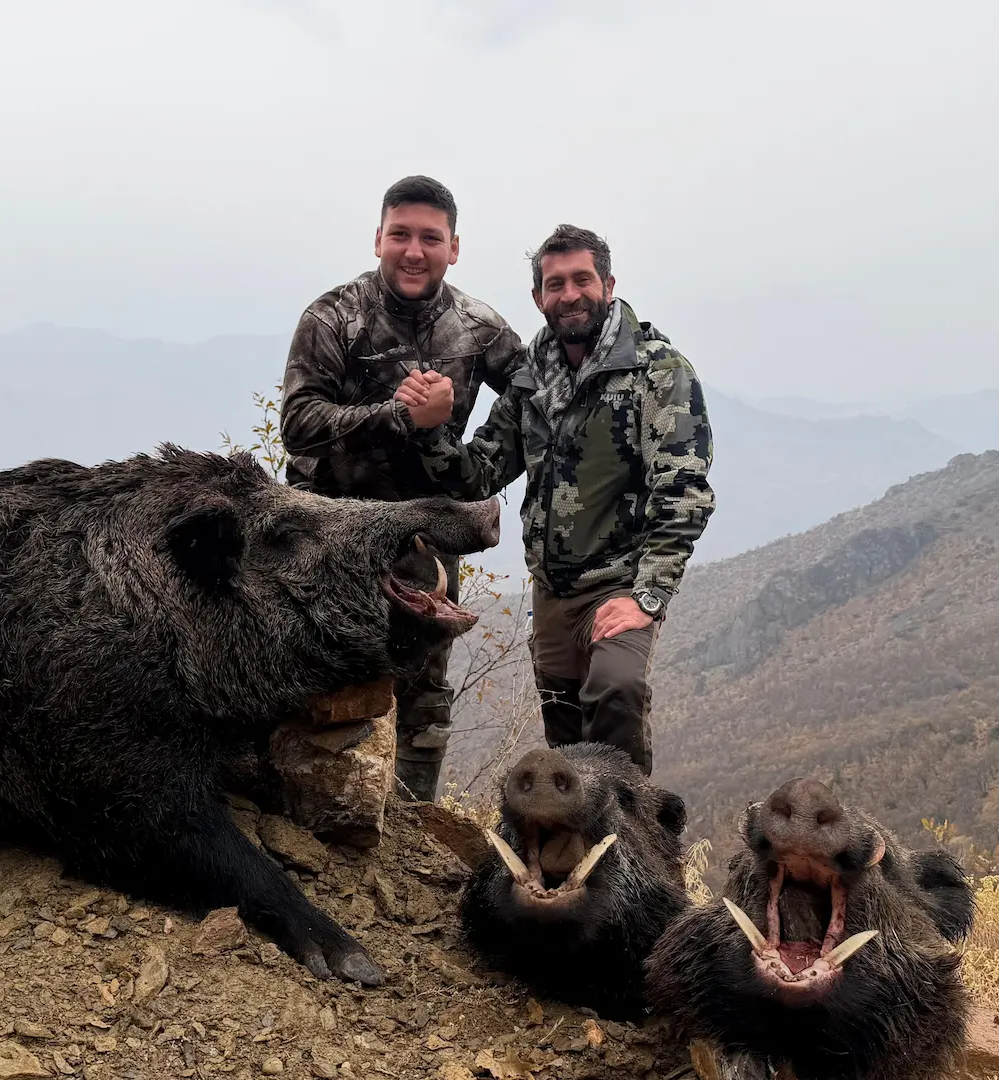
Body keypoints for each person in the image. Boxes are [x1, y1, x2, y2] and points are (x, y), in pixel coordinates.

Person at [399, 224, 713, 775]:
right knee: (566, 758)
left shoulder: (658, 372)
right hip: (551, 594)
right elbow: (479, 474)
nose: (569, 295)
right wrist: (431, 429)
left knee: (615, 699)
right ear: (539, 297)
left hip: (618, 585)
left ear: (608, 284)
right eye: (555, 284)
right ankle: (571, 860)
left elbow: (685, 492)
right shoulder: (531, 377)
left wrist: (647, 596)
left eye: (581, 280)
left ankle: (630, 851)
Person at [278, 175, 529, 802]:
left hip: (424, 535)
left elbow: (537, 400)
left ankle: (411, 827)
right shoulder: (334, 317)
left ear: (454, 248)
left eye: (430, 238)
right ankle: (308, 811)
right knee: (319, 670)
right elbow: (298, 426)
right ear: (378, 239)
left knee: (422, 685)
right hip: (327, 529)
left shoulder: (479, 328)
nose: (414, 251)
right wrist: (398, 417)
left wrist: (477, 469)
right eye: (401, 236)